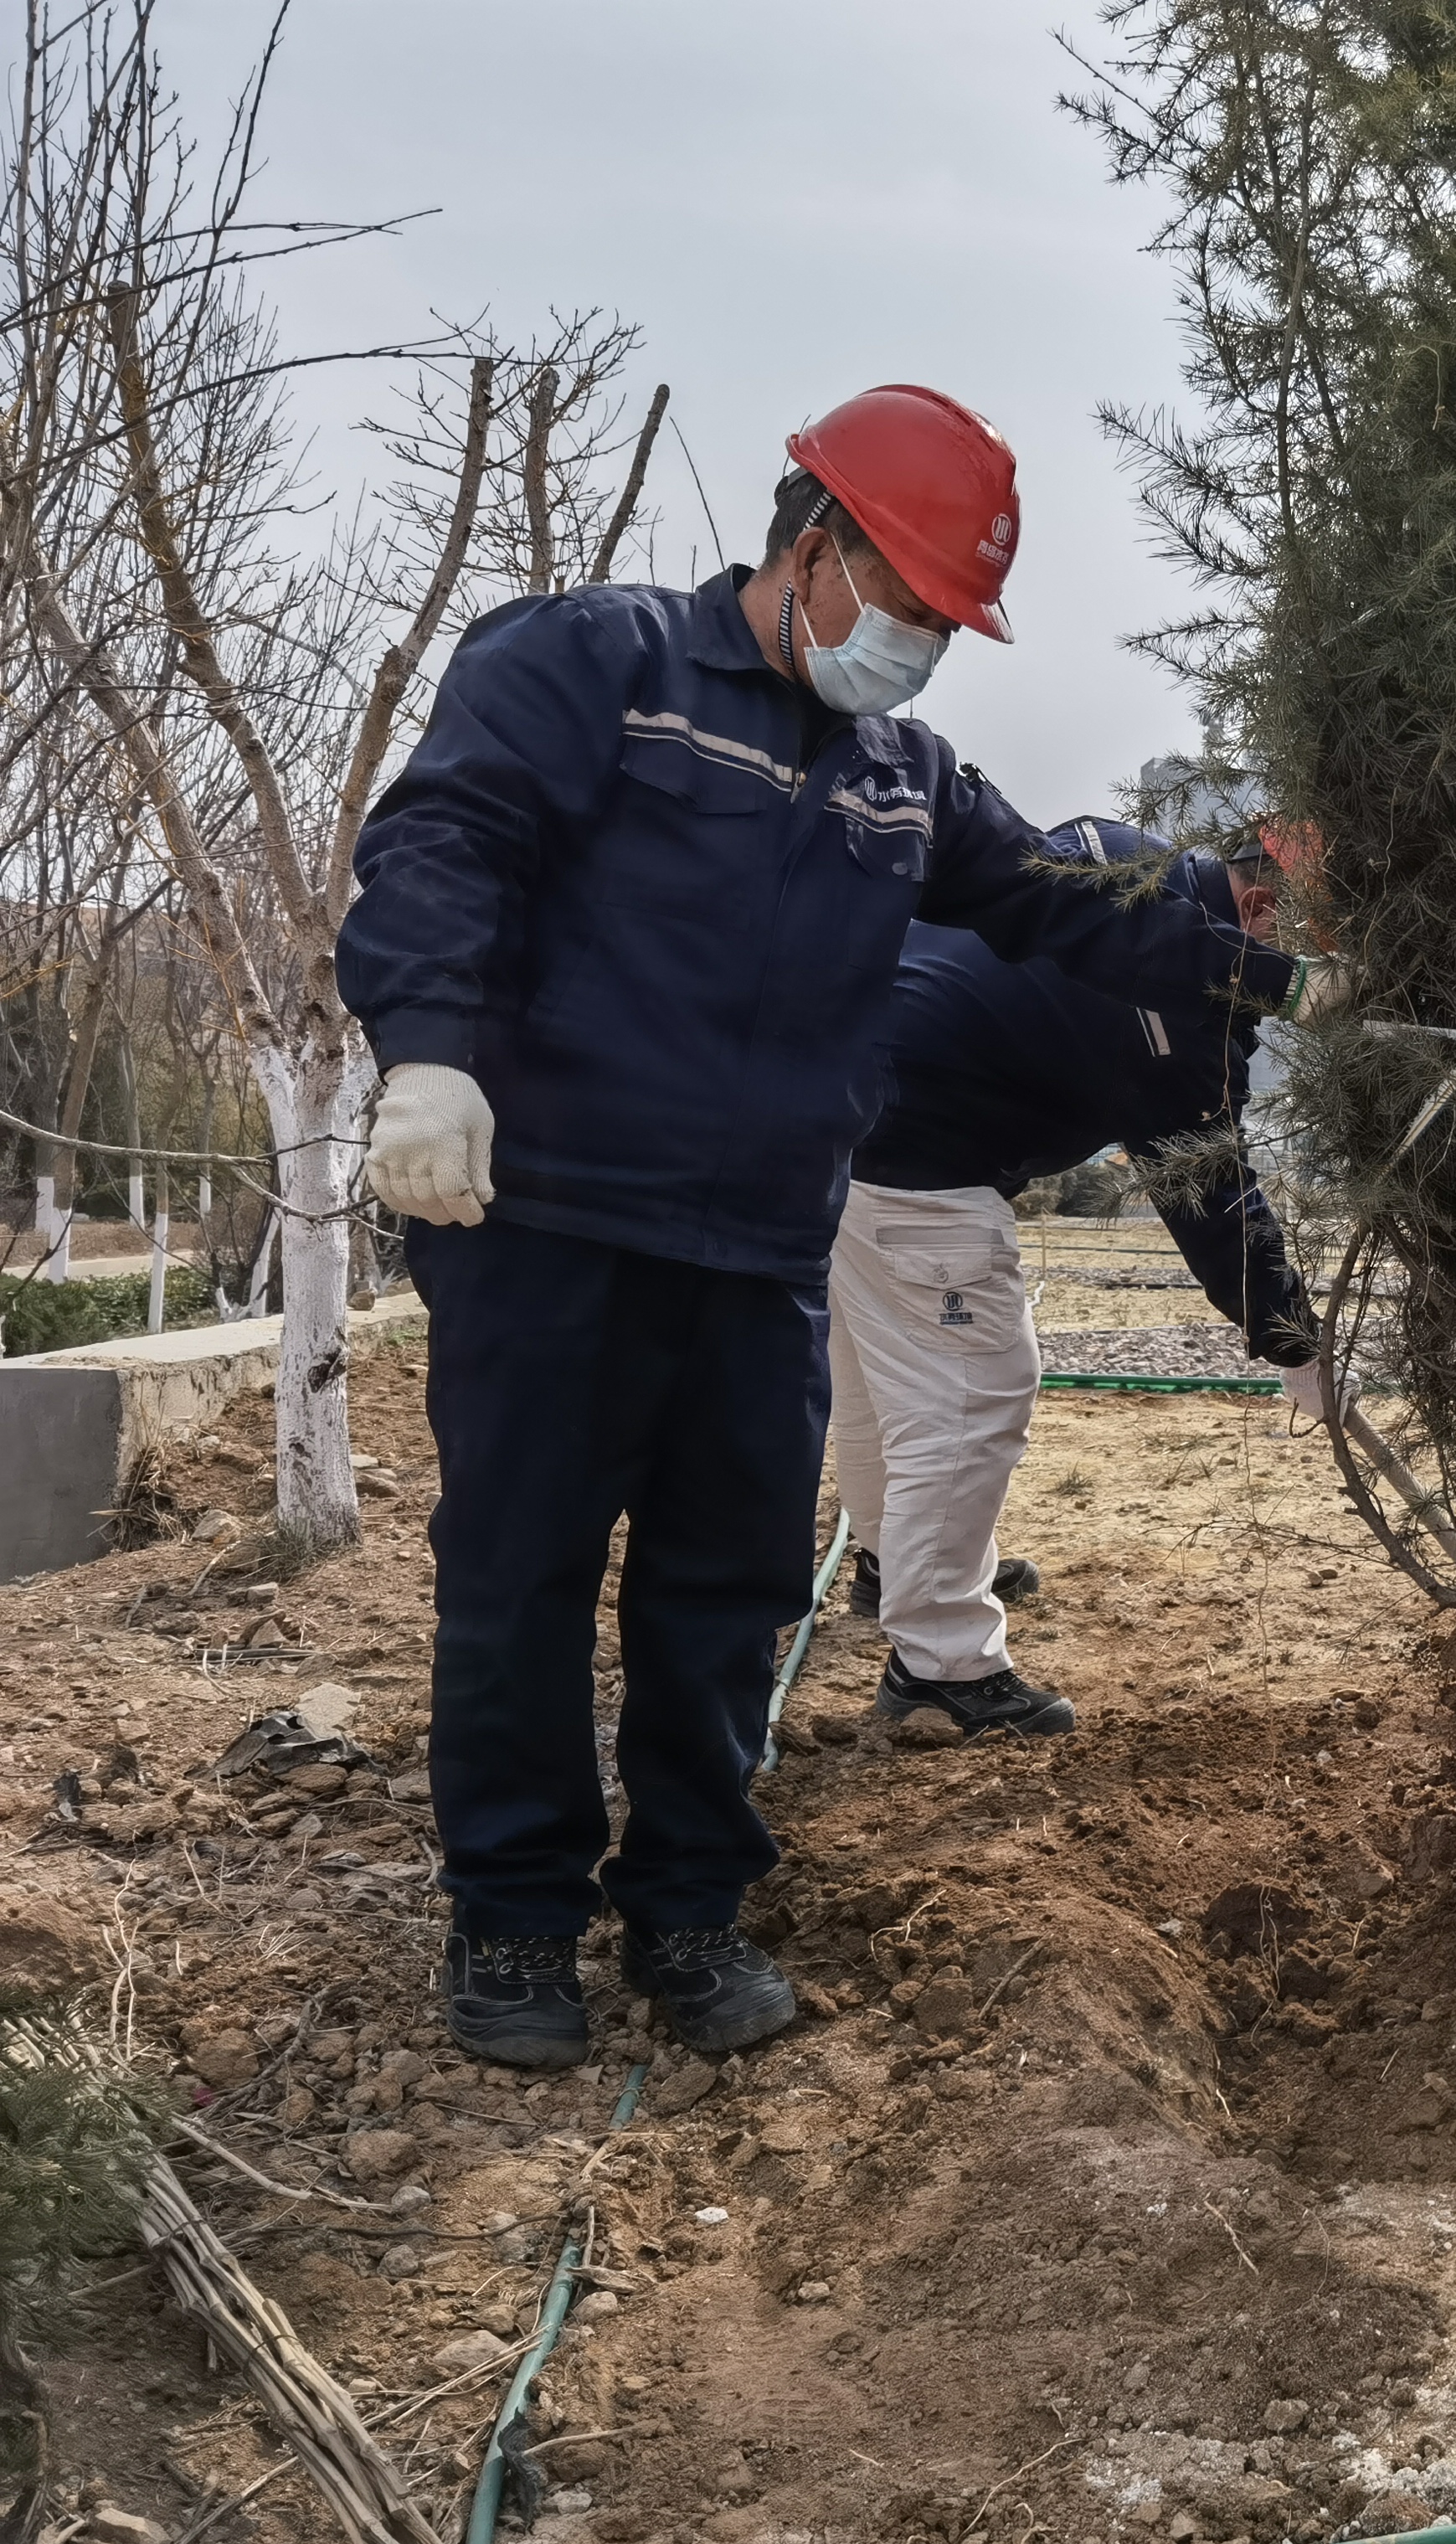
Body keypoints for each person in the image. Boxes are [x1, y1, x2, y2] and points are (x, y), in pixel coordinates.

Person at [340, 388, 1299, 2072]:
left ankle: (692, 1910)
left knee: (728, 1589)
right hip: (554, 1217)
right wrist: (426, 1048)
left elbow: (1068, 906)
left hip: (762, 1246)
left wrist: (1269, 959)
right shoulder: (601, 667)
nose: (919, 644)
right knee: (521, 1578)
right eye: (908, 602)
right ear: (812, 546)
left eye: (946, 623)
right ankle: (511, 1925)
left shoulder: (901, 779)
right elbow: (448, 838)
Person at [831, 818, 1324, 1739]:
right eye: (1309, 960)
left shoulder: (1117, 859)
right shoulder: (1169, 1003)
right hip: (918, 1162)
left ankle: (893, 1568)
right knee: (968, 1401)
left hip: (834, 1122)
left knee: (878, 1388)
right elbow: (1207, 1183)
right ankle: (941, 1668)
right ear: (1256, 909)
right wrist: (1291, 1338)